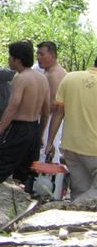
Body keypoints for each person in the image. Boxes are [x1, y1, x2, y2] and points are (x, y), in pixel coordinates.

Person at [0, 41, 49, 197]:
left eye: (10, 57)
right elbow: (45, 111)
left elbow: (12, 108)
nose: (8, 60)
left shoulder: (20, 78)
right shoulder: (42, 79)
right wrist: (40, 134)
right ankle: (22, 209)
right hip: (34, 130)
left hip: (18, 129)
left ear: (17, 59)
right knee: (23, 177)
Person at [45, 57, 97, 202]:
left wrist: (50, 143)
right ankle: (72, 206)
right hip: (94, 149)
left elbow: (58, 113)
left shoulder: (70, 78)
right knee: (88, 197)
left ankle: (74, 209)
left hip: (71, 147)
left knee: (80, 190)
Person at [36, 41, 66, 161]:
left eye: (42, 54)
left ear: (52, 55)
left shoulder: (54, 74)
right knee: (43, 153)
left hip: (50, 121)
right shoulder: (48, 71)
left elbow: (54, 105)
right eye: (37, 54)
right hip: (46, 119)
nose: (38, 57)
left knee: (46, 152)